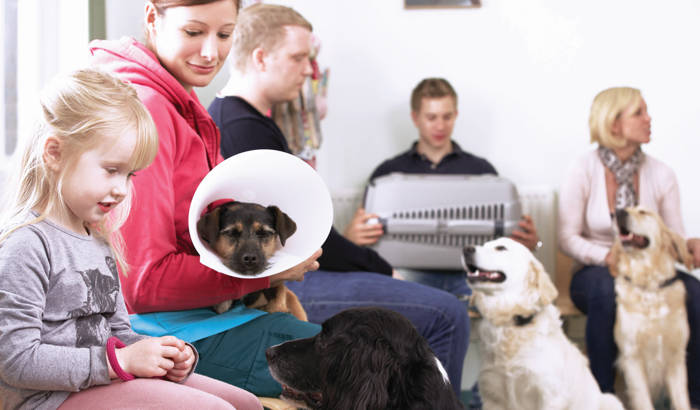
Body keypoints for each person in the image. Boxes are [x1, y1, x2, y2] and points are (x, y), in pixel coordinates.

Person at [208, 4, 469, 395]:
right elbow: (312, 242)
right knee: (448, 314)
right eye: (298, 57)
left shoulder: (247, 122)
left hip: (302, 268)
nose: (310, 71)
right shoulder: (243, 130)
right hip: (294, 278)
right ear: (260, 58)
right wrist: (382, 267)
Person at [88, 0, 322, 398]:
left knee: (374, 352)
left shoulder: (183, 103)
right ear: (151, 19)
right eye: (193, 32)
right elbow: (143, 284)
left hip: (196, 319)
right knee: (377, 365)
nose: (211, 52)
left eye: (225, 34)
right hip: (161, 334)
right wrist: (266, 273)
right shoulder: (150, 111)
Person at [0, 69, 261, 410]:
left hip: (101, 380)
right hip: (48, 398)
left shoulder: (98, 241)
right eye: (112, 170)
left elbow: (119, 334)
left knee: (246, 404)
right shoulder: (27, 244)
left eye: (130, 175)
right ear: (54, 153)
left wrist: (162, 353)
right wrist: (118, 364)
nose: (122, 190)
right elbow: (15, 361)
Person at [557, 86, 700, 407]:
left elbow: (673, 235)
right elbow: (567, 238)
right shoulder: (582, 169)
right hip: (594, 270)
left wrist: (689, 246)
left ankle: (693, 398)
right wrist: (606, 255)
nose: (649, 119)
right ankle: (603, 397)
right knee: (606, 292)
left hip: (649, 271)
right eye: (639, 112)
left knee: (696, 295)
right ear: (613, 123)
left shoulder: (662, 174)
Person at [347, 77, 540, 300]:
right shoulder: (387, 174)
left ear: (456, 115)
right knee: (387, 293)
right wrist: (350, 237)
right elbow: (362, 236)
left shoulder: (482, 171)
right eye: (431, 117)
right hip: (408, 274)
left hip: (471, 275)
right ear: (415, 118)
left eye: (447, 116)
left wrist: (532, 243)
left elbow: (505, 245)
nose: (440, 126)